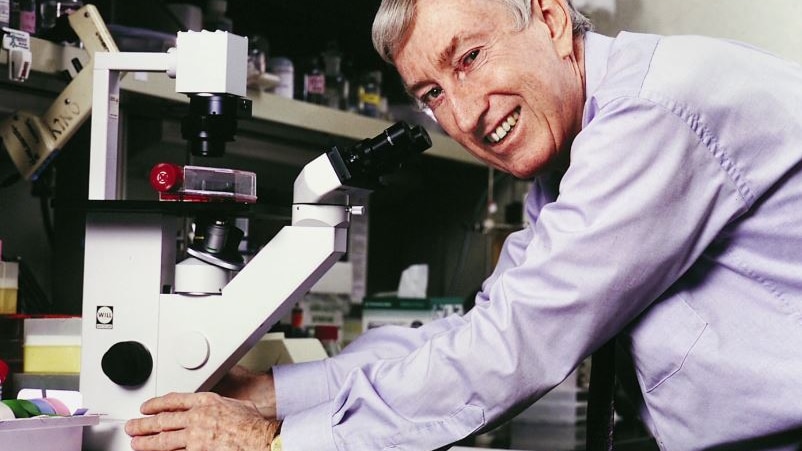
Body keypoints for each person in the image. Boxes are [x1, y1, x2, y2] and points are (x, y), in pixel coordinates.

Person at [125, 0, 802, 449]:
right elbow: (475, 330)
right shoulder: (573, 158)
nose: (467, 112)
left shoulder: (653, 115)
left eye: (470, 57)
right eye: (433, 95)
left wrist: (277, 442)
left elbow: (509, 347)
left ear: (551, 19)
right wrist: (274, 391)